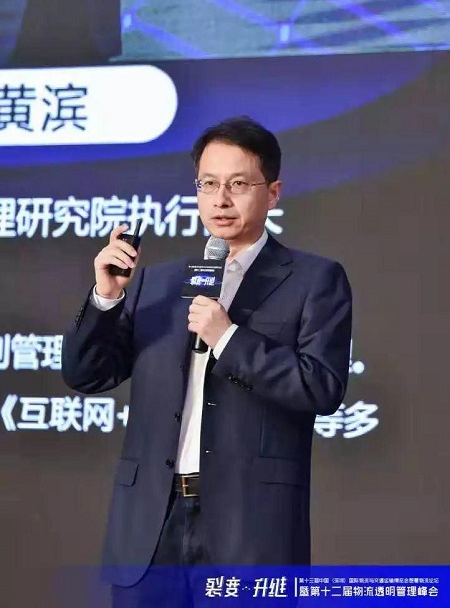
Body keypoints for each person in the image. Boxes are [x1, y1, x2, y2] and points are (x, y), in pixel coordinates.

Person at [62, 116, 352, 607]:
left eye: (238, 184)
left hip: (250, 531)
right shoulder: (158, 283)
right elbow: (86, 374)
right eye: (208, 184)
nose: (220, 199)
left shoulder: (314, 280)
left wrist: (229, 338)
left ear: (273, 193)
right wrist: (106, 298)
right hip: (150, 527)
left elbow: (321, 387)